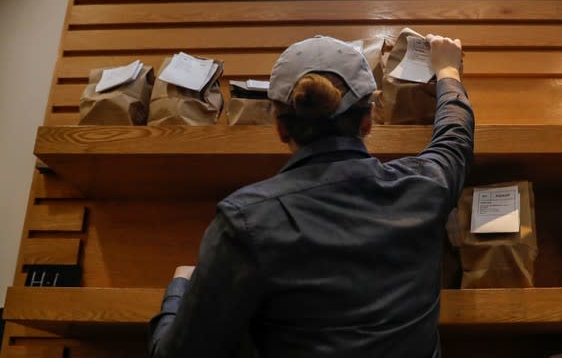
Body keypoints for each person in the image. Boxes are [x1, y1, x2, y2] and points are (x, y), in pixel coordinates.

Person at [148, 34, 474, 358]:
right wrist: (447, 71)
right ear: (368, 120)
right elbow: (454, 138)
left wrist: (180, 287)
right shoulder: (424, 186)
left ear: (279, 127)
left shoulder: (245, 220)